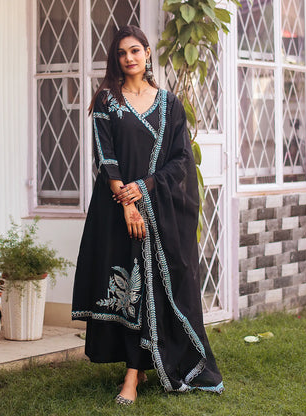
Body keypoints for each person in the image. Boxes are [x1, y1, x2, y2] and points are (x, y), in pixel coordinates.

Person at [72, 25, 223, 405]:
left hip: (160, 212)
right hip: (116, 211)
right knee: (129, 291)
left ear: (148, 53)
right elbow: (105, 158)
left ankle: (135, 376)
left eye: (135, 50)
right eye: (122, 52)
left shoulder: (170, 104)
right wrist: (128, 203)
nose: (129, 58)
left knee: (154, 286)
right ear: (116, 58)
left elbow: (180, 160)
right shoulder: (107, 100)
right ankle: (132, 373)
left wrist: (146, 188)